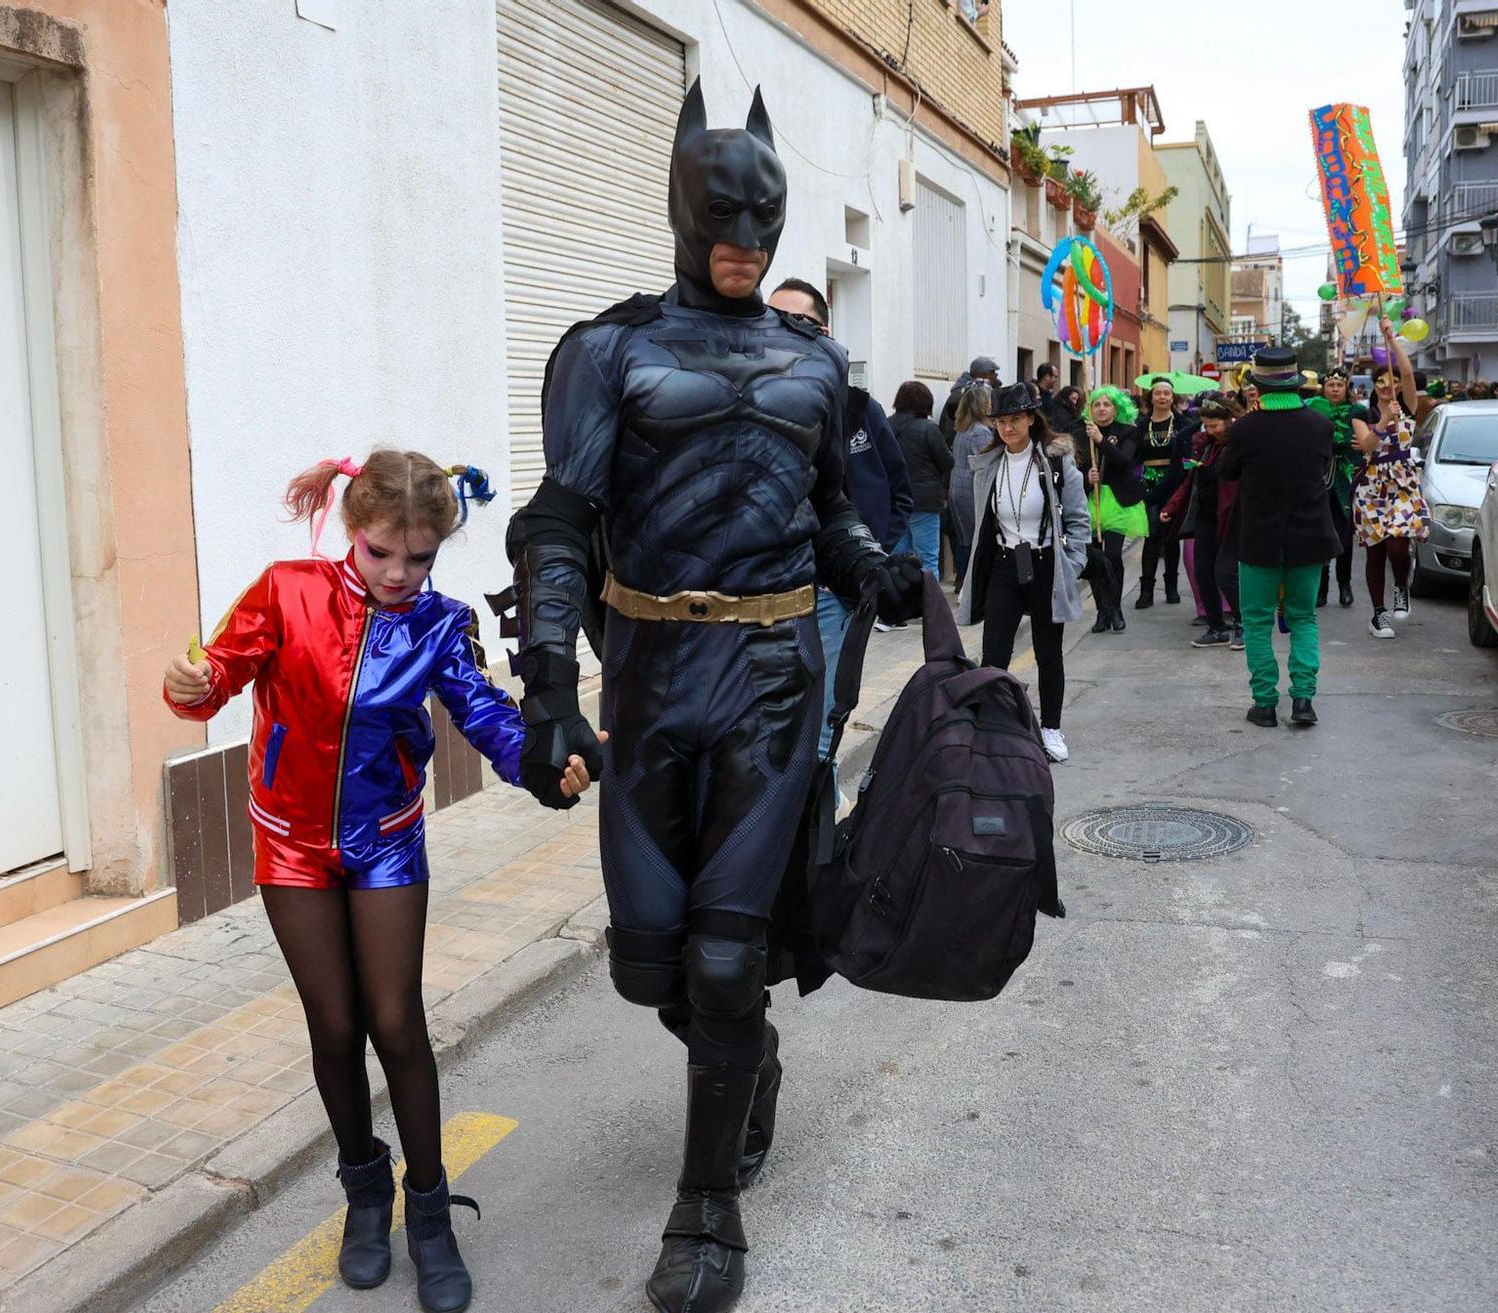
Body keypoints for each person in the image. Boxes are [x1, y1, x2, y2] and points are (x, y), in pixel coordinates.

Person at [504, 80, 924, 1313]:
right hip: (646, 675)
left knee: (730, 951)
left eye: (764, 218)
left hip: (773, 679)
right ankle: (748, 1061)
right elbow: (562, 526)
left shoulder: (813, 357)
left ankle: (705, 1205)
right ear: (682, 205)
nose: (744, 239)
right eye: (722, 214)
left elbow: (826, 509)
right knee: (651, 964)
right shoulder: (607, 351)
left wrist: (874, 571)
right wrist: (545, 687)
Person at [165, 452, 597, 1313]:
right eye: (382, 555)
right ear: (350, 532)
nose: (400, 575)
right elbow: (218, 677)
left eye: (421, 558)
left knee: (397, 1022)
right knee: (334, 1023)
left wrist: (546, 769)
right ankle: (366, 1194)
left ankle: (430, 1214)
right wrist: (193, 684)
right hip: (290, 842)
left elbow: (482, 709)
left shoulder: (438, 622)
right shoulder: (286, 590)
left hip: (387, 840)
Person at [767, 277, 912, 738]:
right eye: (774, 321)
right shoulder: (753, 406)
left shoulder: (857, 407)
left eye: (799, 322)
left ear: (824, 333)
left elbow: (897, 489)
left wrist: (865, 562)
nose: (785, 331)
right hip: (767, 598)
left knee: (819, 728)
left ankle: (820, 806)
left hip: (830, 595)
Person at [963, 382, 1091, 763]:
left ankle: (1051, 728)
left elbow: (1078, 518)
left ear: (1031, 419)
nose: (1007, 428)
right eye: (1001, 421)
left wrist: (1074, 563)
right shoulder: (988, 464)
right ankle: (994, 727)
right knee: (994, 653)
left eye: (1015, 419)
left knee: (1048, 653)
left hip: (1047, 563)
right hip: (1005, 564)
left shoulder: (1054, 460)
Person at [1216, 347, 1340, 728]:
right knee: (1303, 619)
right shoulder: (1320, 425)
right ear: (1296, 380)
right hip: (1309, 538)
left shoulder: (1245, 429)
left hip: (1259, 541)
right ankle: (1303, 700)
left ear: (1258, 385)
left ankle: (1265, 703)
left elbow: (1227, 472)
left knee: (1256, 622)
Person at [1352, 323, 1428, 640]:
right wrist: (1384, 420)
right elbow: (1367, 446)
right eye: (1381, 381)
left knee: (1398, 546)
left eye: (1392, 381)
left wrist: (1392, 341)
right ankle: (1378, 614)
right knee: (1376, 551)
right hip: (1371, 487)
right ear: (1374, 385)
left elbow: (1410, 374)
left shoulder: (1409, 407)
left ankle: (1401, 587)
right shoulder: (1362, 413)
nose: (1387, 385)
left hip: (1403, 485)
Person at [1161, 396, 1243, 648]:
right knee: (1202, 572)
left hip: (1232, 518)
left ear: (1230, 421)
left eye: (1215, 425)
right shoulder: (1203, 446)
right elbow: (1190, 482)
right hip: (1205, 517)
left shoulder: (1240, 447)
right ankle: (1216, 628)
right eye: (1206, 426)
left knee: (1225, 573)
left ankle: (1244, 625)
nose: (1210, 430)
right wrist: (1171, 507)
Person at [1078, 384, 1145, 633]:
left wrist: (1100, 440)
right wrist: (1086, 475)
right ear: (1090, 408)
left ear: (1116, 409)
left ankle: (1115, 608)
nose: (1102, 408)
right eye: (1097, 404)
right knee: (1094, 560)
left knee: (1113, 556)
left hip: (1116, 502)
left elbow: (1124, 461)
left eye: (1107, 404)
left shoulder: (1128, 432)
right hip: (1088, 502)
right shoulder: (1079, 433)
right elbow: (1071, 465)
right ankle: (1102, 612)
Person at [1133, 378, 1194, 609]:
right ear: (1151, 397)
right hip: (1150, 486)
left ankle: (1171, 587)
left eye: (1166, 393)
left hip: (1175, 483)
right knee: (1151, 536)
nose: (1162, 397)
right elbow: (1134, 456)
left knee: (1171, 538)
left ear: (1172, 397)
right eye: (1157, 393)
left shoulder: (1183, 424)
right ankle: (1146, 590)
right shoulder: (1141, 424)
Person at [1305, 368, 1360, 608]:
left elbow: (1359, 442)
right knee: (1320, 535)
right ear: (1323, 388)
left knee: (1345, 536)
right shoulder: (1312, 408)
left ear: (1347, 388)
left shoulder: (1357, 411)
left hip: (1346, 478)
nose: (1335, 389)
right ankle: (1321, 588)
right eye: (1331, 385)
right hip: (1319, 478)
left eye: (1340, 385)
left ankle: (1345, 584)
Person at [887, 379, 952, 580]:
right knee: (928, 559)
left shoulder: (886, 425)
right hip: (925, 503)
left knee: (897, 560)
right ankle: (930, 608)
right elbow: (947, 462)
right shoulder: (928, 429)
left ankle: (900, 608)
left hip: (895, 503)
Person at [947, 382, 995, 591]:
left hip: (957, 489)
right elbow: (985, 465)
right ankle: (970, 582)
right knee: (974, 538)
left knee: (963, 537)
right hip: (970, 491)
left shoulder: (963, 428)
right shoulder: (980, 432)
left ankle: (963, 578)